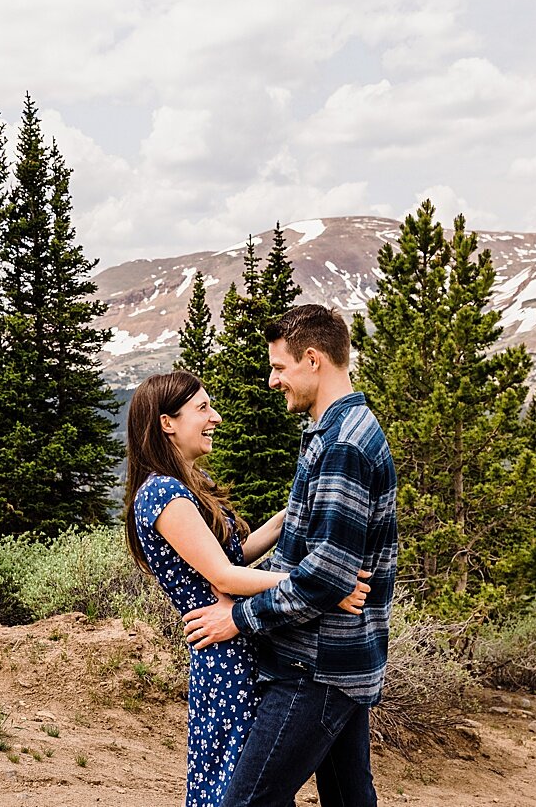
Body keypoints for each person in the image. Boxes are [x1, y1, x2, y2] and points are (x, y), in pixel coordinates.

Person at [181, 304, 399, 807]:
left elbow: (326, 577)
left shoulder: (344, 444)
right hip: (339, 659)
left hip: (315, 666)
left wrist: (239, 617)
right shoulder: (336, 434)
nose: (273, 379)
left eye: (280, 367)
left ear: (313, 360)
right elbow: (323, 564)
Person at [123, 370, 371, 807]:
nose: (215, 416)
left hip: (241, 641)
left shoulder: (184, 487)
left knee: (255, 784)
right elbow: (225, 576)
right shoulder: (162, 494)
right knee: (234, 784)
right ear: (167, 423)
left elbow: (240, 552)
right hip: (225, 656)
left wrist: (295, 509)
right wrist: (324, 584)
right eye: (202, 408)